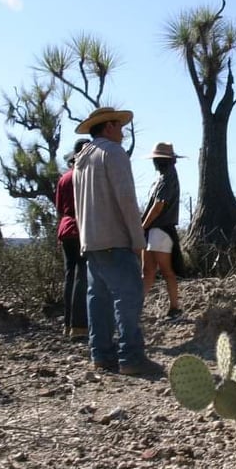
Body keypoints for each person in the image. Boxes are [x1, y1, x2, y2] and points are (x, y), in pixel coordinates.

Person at [73, 107, 161, 376]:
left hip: (91, 241)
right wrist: (138, 240)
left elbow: (79, 205)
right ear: (108, 127)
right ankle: (131, 357)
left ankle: (101, 355)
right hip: (115, 239)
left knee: (97, 300)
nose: (123, 132)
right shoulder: (113, 153)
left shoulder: (81, 160)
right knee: (128, 298)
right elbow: (126, 198)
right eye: (119, 127)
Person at [140, 142, 186, 320]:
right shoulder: (162, 178)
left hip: (160, 230)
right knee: (148, 272)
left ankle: (175, 308)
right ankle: (137, 309)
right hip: (153, 230)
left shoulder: (168, 178)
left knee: (166, 271)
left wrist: (143, 225)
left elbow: (158, 206)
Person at [56, 138, 90, 339]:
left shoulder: (64, 178)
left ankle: (68, 324)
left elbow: (60, 208)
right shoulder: (85, 177)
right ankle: (79, 326)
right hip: (81, 228)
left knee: (69, 276)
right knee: (82, 275)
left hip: (66, 228)